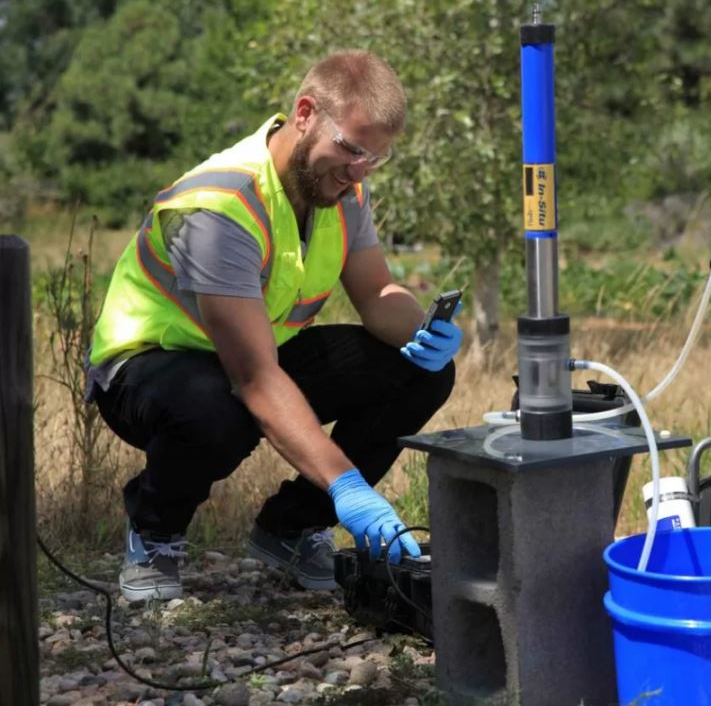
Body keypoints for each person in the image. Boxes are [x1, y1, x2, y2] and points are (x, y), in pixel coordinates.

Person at [86, 50, 462, 602]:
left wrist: (424, 331)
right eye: (352, 149)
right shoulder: (219, 206)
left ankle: (290, 528)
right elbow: (255, 379)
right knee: (215, 410)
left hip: (250, 357)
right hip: (148, 369)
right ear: (306, 113)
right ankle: (154, 531)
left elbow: (378, 295)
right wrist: (347, 486)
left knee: (419, 373)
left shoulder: (344, 189)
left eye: (376, 159)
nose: (359, 170)